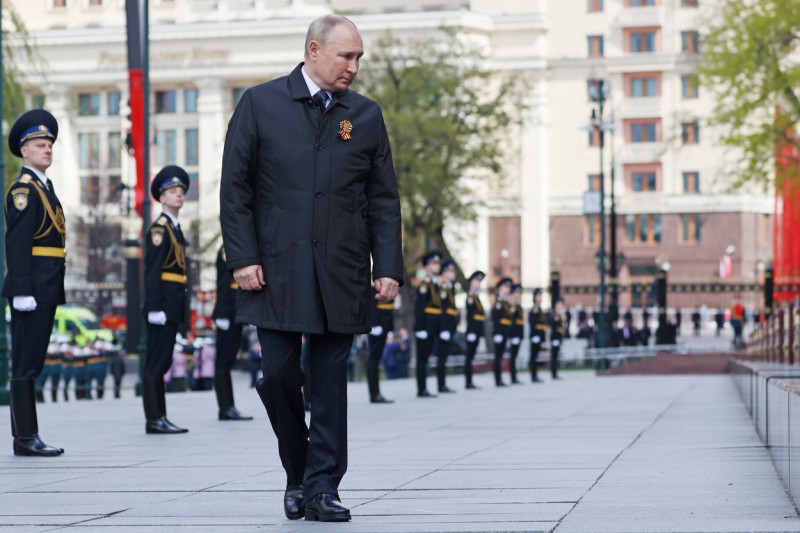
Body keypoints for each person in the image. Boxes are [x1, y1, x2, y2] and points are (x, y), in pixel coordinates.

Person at [219, 15, 403, 523]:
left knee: (328, 381)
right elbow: (234, 188)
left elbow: (384, 199)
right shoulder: (260, 103)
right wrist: (243, 257)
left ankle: (322, 486)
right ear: (315, 50)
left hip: (341, 270)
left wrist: (387, 266)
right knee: (277, 375)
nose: (354, 67)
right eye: (346, 56)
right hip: (275, 268)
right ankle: (298, 470)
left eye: (359, 57)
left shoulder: (364, 115)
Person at [3, 109, 66, 456]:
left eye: (50, 145)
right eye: (40, 145)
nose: (47, 150)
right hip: (32, 289)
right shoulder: (23, 190)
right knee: (25, 363)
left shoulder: (45, 188)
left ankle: (25, 435)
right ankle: (26, 437)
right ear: (24, 151)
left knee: (33, 362)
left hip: (46, 286)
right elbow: (19, 243)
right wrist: (22, 288)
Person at [141, 165, 191, 435]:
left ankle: (160, 416)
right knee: (155, 364)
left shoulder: (174, 228)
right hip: (162, 306)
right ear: (161, 197)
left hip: (171, 305)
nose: (179, 195)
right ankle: (154, 418)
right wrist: (154, 306)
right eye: (173, 191)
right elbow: (152, 272)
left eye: (181, 191)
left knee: (162, 363)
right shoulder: (159, 230)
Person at [212, 245, 253, 420]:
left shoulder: (231, 248)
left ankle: (228, 406)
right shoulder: (226, 249)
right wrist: (221, 313)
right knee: (223, 363)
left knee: (226, 362)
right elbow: (223, 282)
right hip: (227, 313)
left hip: (233, 312)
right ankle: (225, 407)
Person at [414, 249, 443, 398]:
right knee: (422, 358)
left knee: (426, 358)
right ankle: (421, 388)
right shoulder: (425, 283)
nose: (437, 266)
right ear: (426, 266)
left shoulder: (434, 283)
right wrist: (419, 327)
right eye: (433, 263)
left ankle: (424, 388)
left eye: (438, 263)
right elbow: (420, 307)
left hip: (432, 326)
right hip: (425, 326)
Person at [367, 286, 395, 403]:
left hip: (384, 323)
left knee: (376, 359)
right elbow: (371, 300)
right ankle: (374, 394)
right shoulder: (374, 282)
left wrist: (390, 327)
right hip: (377, 323)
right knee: (373, 359)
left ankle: (376, 393)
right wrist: (373, 323)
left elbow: (389, 306)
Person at [435, 259, 459, 393]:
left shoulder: (450, 286)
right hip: (443, 327)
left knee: (444, 357)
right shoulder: (442, 286)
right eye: (450, 271)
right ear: (444, 273)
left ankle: (443, 383)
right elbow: (442, 310)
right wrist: (443, 328)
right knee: (441, 357)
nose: (453, 273)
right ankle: (441, 384)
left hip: (449, 326)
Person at [463, 271, 486, 390]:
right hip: (472, 330)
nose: (479, 284)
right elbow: (471, 316)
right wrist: (471, 331)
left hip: (476, 330)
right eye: (477, 281)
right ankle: (468, 382)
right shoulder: (471, 296)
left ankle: (470, 381)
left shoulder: (476, 296)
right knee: (469, 357)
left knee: (471, 357)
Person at [490, 277, 513, 387]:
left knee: (500, 355)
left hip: (504, 331)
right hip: (500, 331)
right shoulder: (499, 301)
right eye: (506, 286)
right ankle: (498, 379)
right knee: (498, 356)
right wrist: (497, 332)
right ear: (500, 288)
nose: (508, 289)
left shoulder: (504, 301)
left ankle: (500, 379)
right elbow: (496, 318)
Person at [528, 288, 546, 383]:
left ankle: (535, 375)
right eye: (538, 296)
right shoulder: (534, 309)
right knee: (533, 356)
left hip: (539, 335)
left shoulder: (539, 308)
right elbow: (533, 322)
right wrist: (535, 335)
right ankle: (533, 376)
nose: (540, 298)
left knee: (536, 356)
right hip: (535, 335)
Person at [507, 283, 524, 385]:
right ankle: (513, 377)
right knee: (512, 356)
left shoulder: (518, 304)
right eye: (517, 292)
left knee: (515, 356)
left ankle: (514, 377)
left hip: (518, 333)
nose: (519, 294)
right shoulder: (513, 304)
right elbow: (512, 320)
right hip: (514, 333)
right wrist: (513, 335)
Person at [550, 298, 566, 379]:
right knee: (554, 355)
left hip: (559, 336)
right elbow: (553, 325)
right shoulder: (554, 313)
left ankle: (555, 372)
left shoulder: (561, 314)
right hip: (555, 336)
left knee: (556, 355)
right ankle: (553, 373)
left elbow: (563, 326)